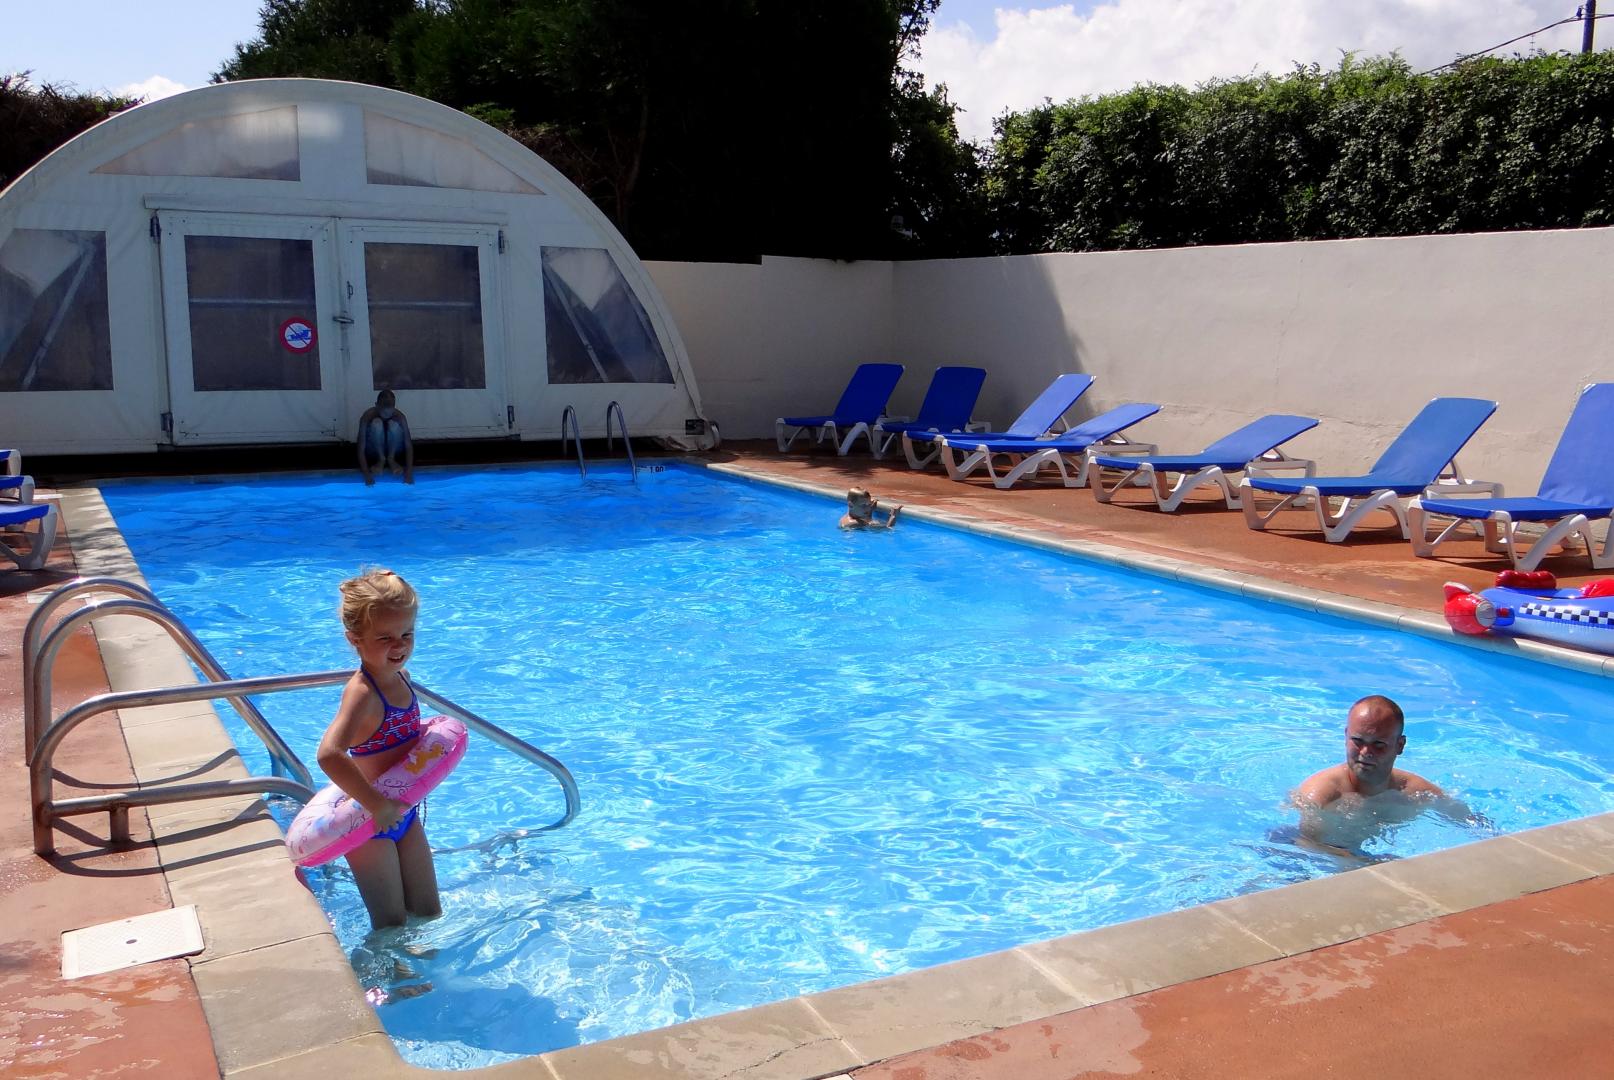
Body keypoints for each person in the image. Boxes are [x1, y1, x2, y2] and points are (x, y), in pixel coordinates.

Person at [316, 568, 440, 929]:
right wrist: (377, 806)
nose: (399, 645)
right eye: (384, 637)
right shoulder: (363, 694)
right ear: (355, 639)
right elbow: (329, 754)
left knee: (429, 913)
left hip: (403, 813)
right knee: (391, 925)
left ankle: (425, 983)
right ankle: (389, 986)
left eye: (407, 634)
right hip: (368, 823)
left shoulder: (402, 677)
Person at [1292, 694, 1472, 853]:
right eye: (1357, 741)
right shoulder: (1321, 795)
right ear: (1346, 736)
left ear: (1400, 745)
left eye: (1378, 744)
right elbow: (1305, 845)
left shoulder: (1415, 792)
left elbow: (1475, 825)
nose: (1365, 752)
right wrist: (1368, 863)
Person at [356, 390, 414, 485]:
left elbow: (408, 446)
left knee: (394, 425)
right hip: (373, 450)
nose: (387, 411)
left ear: (394, 406)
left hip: (394, 449)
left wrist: (409, 473)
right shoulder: (367, 416)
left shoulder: (400, 416)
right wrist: (366, 474)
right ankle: (381, 459)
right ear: (376, 405)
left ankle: (391, 459)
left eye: (390, 407)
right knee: (377, 424)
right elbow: (361, 447)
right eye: (384, 407)